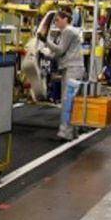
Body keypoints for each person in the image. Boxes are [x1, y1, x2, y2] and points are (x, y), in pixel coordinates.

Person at [40, 9, 84, 140]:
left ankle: (65, 133)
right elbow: (60, 53)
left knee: (67, 101)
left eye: (58, 20)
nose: (56, 23)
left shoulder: (68, 31)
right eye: (55, 21)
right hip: (71, 68)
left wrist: (45, 41)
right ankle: (72, 131)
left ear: (66, 19)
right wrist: (47, 55)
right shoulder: (68, 32)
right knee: (72, 101)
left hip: (73, 69)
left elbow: (59, 50)